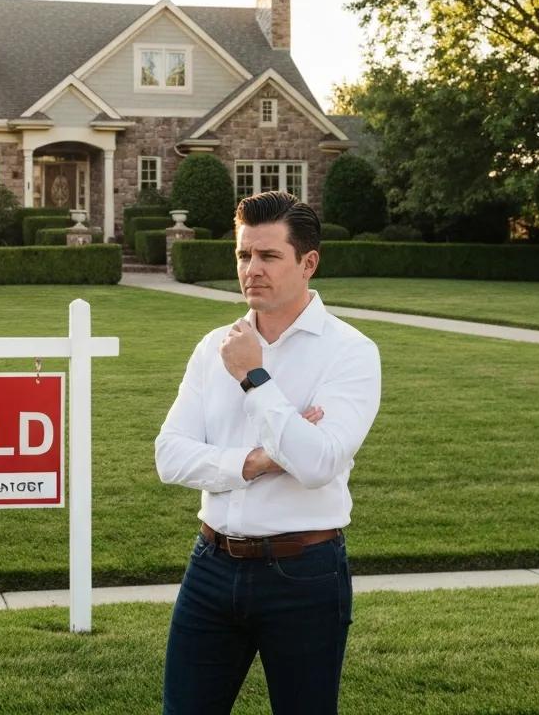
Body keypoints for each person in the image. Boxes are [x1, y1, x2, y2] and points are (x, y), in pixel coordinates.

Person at [155, 190, 382, 715]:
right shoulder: (214, 346)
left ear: (308, 263)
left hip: (303, 573)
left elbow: (320, 463)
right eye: (243, 255)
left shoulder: (350, 352)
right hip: (210, 566)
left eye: (268, 255)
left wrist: (256, 378)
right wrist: (256, 461)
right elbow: (169, 456)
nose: (251, 269)